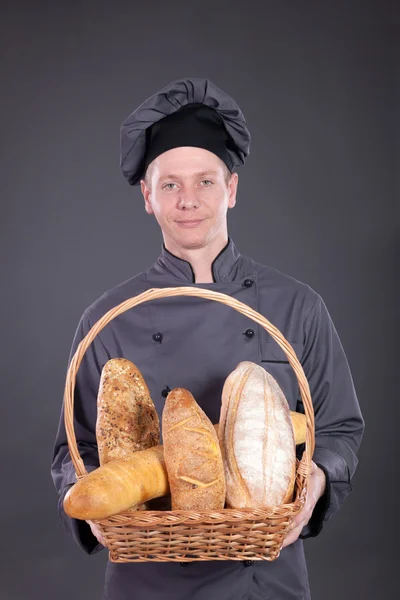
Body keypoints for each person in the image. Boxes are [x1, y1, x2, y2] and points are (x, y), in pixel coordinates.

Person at [51, 77, 365, 600]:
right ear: (147, 197)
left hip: (262, 577)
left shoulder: (296, 305)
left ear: (232, 190)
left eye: (205, 182)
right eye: (170, 184)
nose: (188, 200)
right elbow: (74, 449)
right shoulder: (108, 318)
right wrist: (95, 514)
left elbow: (339, 429)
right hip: (147, 580)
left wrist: (319, 482)